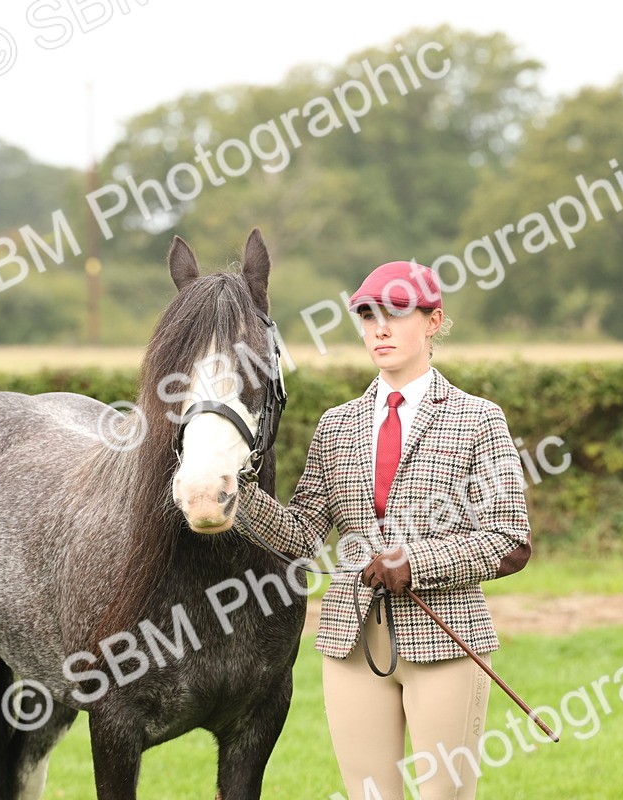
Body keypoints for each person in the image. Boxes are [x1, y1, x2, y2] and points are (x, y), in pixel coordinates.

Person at [232, 260, 531, 799]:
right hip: (349, 644)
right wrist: (239, 495)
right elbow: (302, 536)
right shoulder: (337, 424)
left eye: (395, 313)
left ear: (434, 321)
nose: (380, 328)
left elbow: (509, 540)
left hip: (443, 640)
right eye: (368, 315)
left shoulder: (478, 418)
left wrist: (417, 564)